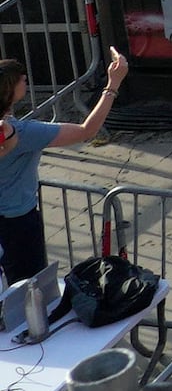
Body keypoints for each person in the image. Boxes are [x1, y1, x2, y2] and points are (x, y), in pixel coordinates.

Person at [0, 46, 125, 344]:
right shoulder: (24, 133)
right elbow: (87, 129)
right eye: (21, 79)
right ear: (10, 90)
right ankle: (33, 349)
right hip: (19, 223)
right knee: (28, 297)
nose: (26, 81)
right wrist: (113, 84)